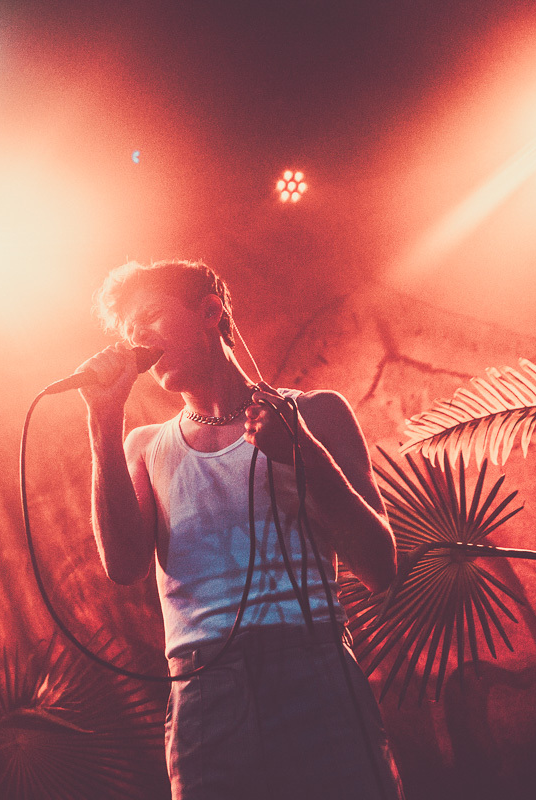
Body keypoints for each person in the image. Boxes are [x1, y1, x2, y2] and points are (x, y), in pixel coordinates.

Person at [77, 259, 403, 799]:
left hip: (313, 665)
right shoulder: (143, 448)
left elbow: (379, 564)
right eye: (129, 330)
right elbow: (123, 565)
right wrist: (102, 424)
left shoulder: (315, 414)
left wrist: (303, 454)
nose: (137, 338)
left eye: (151, 316)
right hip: (204, 690)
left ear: (211, 313)